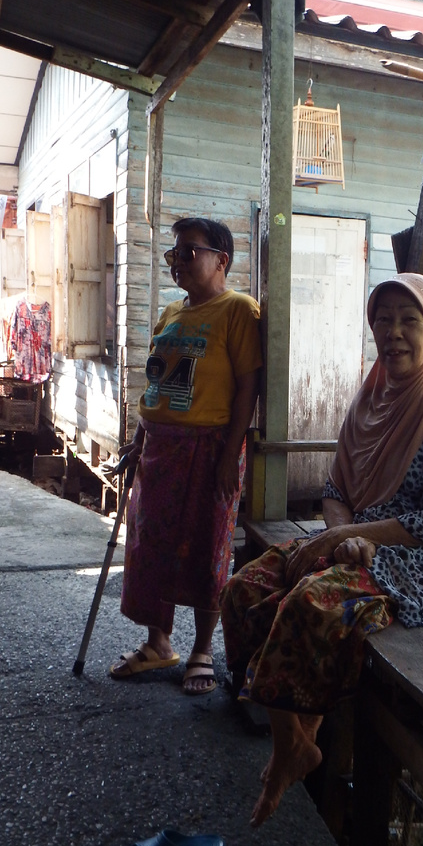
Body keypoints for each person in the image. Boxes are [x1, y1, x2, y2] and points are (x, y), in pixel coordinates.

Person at [220, 273, 423, 827]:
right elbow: (336, 491)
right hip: (357, 543)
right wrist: (341, 536)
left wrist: (344, 539)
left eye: (408, 320)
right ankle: (292, 739)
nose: (393, 333)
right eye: (383, 319)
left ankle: (293, 749)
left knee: (308, 604)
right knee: (245, 587)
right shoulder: (373, 397)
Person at [109, 217, 262, 695]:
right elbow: (157, 386)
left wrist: (228, 454)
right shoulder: (170, 314)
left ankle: (201, 649)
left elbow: (247, 388)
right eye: (173, 255)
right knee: (150, 544)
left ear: (223, 260)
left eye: (188, 252)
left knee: (207, 545)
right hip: (159, 448)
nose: (178, 263)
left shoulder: (239, 310)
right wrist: (138, 439)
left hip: (209, 446)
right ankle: (159, 643)